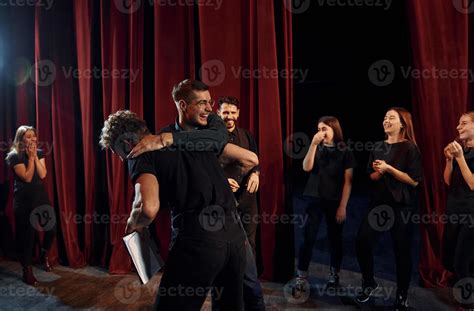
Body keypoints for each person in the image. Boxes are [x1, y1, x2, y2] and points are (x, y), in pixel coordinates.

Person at [100, 108, 258, 310]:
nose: (121, 159)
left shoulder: (140, 154)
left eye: (117, 153)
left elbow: (147, 207)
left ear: (126, 143)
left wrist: (132, 224)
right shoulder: (187, 139)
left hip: (199, 242)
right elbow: (249, 159)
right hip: (236, 239)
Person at [129, 80, 266, 310]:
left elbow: (148, 206)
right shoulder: (160, 146)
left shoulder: (209, 128)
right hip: (230, 238)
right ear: (183, 105)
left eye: (209, 102)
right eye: (202, 103)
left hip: (203, 239)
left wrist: (167, 139)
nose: (209, 108)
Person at [355, 107, 422, 310]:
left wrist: (389, 169)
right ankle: (369, 283)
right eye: (384, 117)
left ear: (402, 123)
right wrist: (378, 171)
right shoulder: (377, 146)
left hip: (401, 207)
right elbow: (371, 177)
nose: (386, 120)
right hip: (379, 205)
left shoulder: (410, 148)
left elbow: (414, 181)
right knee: (362, 242)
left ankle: (402, 296)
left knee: (401, 251)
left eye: (391, 117)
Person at [295, 116, 356, 289]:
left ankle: (334, 276)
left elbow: (348, 181)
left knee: (335, 239)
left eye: (324, 129)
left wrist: (343, 206)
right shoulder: (317, 147)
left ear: (334, 129)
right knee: (308, 238)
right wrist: (313, 145)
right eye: (319, 129)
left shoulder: (345, 150)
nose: (321, 132)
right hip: (314, 199)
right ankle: (301, 277)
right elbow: (306, 167)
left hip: (335, 200)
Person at [5, 126, 56, 286]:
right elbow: (27, 177)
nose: (33, 139)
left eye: (34, 136)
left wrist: (34, 156)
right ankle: (27, 271)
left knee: (51, 228)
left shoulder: (39, 152)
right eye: (28, 136)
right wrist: (31, 158)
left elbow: (42, 174)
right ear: (21, 139)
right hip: (24, 200)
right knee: (28, 236)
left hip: (40, 197)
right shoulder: (14, 156)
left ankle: (43, 254)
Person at [216, 96, 260, 260]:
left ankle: (248, 284)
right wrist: (223, 181)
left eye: (233, 112)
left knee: (249, 242)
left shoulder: (247, 136)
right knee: (221, 242)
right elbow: (206, 167)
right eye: (225, 112)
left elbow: (257, 160)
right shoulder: (211, 137)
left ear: (238, 113)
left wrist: (256, 173)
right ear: (218, 112)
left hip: (247, 198)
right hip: (222, 199)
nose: (229, 116)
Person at [442, 111, 474, 310]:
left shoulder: (463, 153)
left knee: (463, 263)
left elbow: (472, 183)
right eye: (458, 123)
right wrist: (448, 160)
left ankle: (469, 305)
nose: (457, 127)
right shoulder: (461, 150)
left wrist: (460, 158)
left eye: (463, 123)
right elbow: (447, 181)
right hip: (454, 210)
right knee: (449, 260)